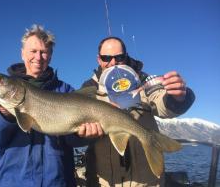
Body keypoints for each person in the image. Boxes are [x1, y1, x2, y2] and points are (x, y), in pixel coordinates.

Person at [0, 24, 102, 187]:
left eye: (44, 52)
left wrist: (83, 136)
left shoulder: (65, 91)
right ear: (22, 53)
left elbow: (72, 142)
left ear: (50, 56)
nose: (38, 57)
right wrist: (3, 114)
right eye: (33, 51)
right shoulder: (3, 99)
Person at [81, 36, 195, 187]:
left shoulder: (142, 80)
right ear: (99, 59)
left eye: (119, 57)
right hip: (106, 182)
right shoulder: (89, 88)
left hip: (147, 182)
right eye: (106, 58)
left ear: (126, 56)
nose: (113, 62)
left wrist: (177, 97)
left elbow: (161, 103)